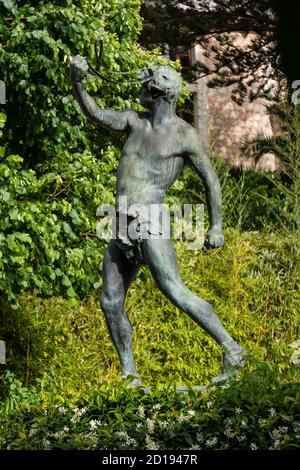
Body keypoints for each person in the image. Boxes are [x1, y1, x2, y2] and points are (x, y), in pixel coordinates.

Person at [70, 56, 246, 386]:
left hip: (150, 217)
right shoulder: (135, 121)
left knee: (174, 289)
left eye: (144, 88)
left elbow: (211, 180)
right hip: (122, 220)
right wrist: (78, 83)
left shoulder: (184, 135)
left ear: (159, 93)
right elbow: (97, 115)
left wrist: (216, 225)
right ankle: (129, 372)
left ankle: (232, 350)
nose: (139, 92)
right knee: (110, 301)